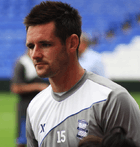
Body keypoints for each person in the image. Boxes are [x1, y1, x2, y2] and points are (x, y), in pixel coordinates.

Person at [24, 1, 140, 147]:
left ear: (72, 43)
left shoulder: (112, 100)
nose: (34, 55)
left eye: (45, 44)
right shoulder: (35, 107)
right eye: (31, 46)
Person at [10, 49, 49, 147]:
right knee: (23, 140)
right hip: (26, 108)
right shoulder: (22, 63)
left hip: (43, 108)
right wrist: (38, 86)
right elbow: (15, 88)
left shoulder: (45, 62)